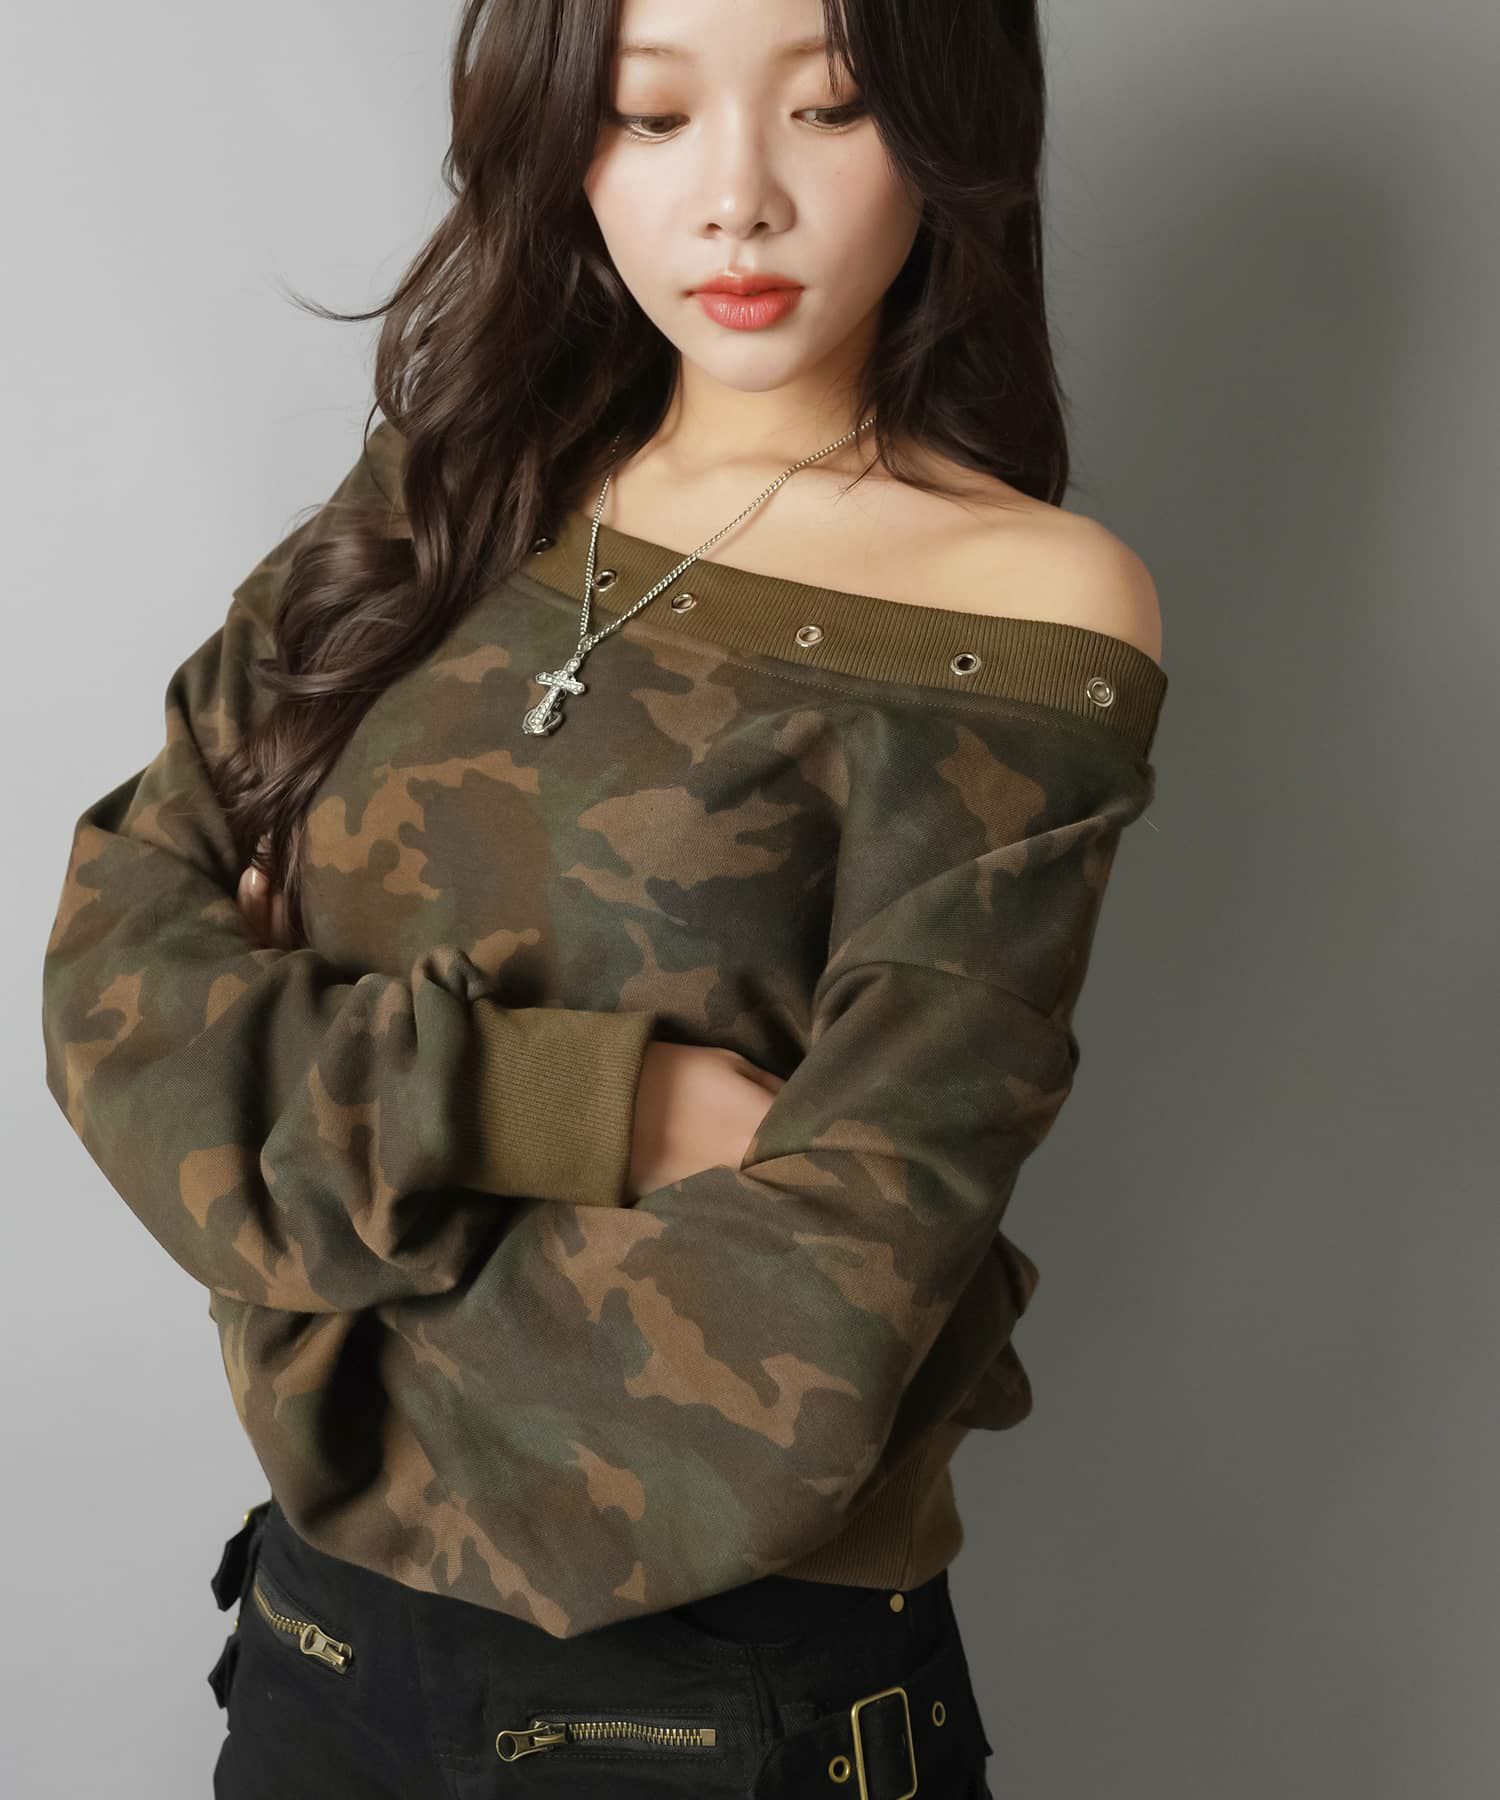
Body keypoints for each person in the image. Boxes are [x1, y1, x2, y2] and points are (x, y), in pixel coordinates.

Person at [40, 1, 1167, 1794]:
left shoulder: (1027, 605)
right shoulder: (447, 493)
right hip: (320, 1656)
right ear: (563, 139)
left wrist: (309, 1205)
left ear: (949, 124)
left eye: (830, 108)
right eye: (651, 115)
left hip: (715, 1710)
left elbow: (830, 1298)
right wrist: (601, 1110)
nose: (738, 198)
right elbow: (114, 996)